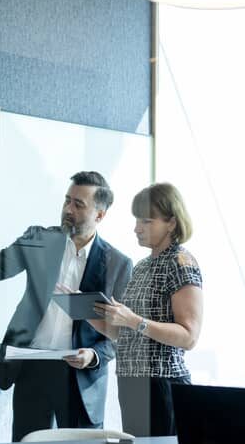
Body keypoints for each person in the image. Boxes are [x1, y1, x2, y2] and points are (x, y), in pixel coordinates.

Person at [0, 171, 132, 442]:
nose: (68, 209)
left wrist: (94, 355)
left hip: (81, 375)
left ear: (99, 215)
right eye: (67, 200)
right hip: (33, 366)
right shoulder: (40, 239)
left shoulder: (118, 264)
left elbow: (123, 334)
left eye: (78, 204)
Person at [91, 183, 203, 437]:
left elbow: (189, 336)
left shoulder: (181, 262)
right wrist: (91, 317)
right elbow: (131, 333)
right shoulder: (142, 266)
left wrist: (133, 320)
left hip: (161, 384)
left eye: (146, 221)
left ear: (171, 223)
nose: (136, 228)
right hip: (131, 384)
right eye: (136, 220)